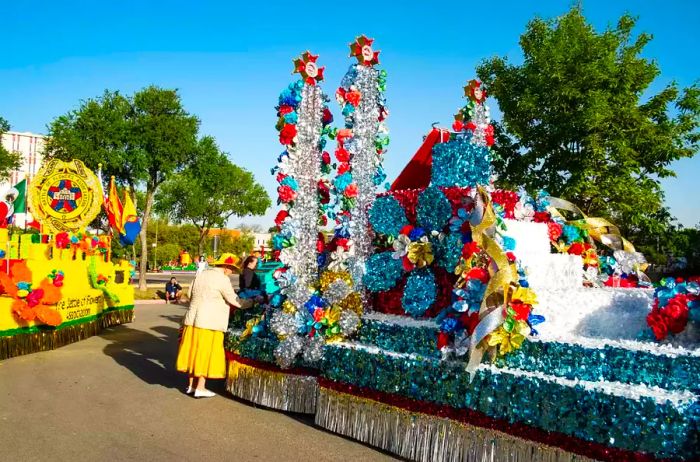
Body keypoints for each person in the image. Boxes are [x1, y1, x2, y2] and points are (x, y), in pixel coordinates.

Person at [176, 253, 251, 398]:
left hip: (192, 320)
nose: (232, 273)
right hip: (209, 322)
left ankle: (191, 386)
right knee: (206, 354)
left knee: (193, 352)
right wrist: (253, 302)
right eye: (232, 269)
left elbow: (190, 293)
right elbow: (235, 300)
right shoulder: (222, 279)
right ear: (226, 267)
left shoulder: (201, 274)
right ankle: (201, 387)